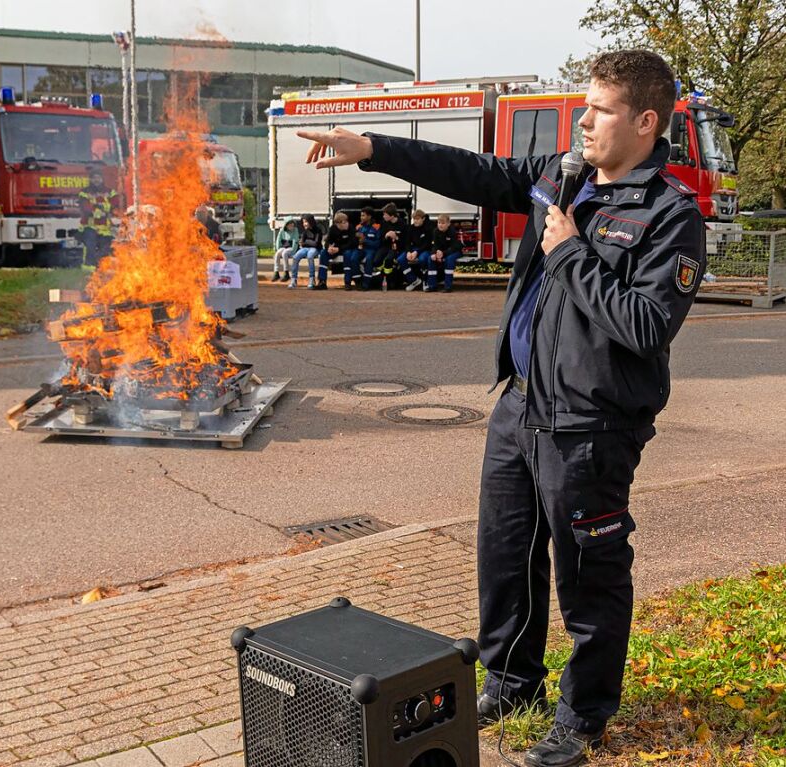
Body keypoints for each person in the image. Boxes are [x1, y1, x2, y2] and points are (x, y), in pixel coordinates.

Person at [299, 50, 705, 766]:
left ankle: (581, 716)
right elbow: (475, 173)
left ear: (644, 121)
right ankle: (512, 679)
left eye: (600, 109)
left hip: (589, 426)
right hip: (518, 407)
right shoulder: (561, 175)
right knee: (505, 556)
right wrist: (372, 149)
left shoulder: (669, 215)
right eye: (584, 106)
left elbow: (645, 326)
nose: (582, 120)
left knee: (590, 575)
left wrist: (572, 252)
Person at [76, 166, 115, 269]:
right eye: (94, 178)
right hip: (90, 226)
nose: (96, 180)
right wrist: (98, 210)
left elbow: (116, 203)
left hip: (105, 228)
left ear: (102, 179)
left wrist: (103, 208)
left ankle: (102, 267)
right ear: (90, 179)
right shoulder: (84, 192)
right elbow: (85, 207)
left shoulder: (110, 192)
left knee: (106, 249)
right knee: (90, 247)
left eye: (98, 177)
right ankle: (88, 267)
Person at [320, 211, 358, 291]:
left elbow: (353, 243)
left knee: (348, 254)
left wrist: (339, 249)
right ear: (338, 224)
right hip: (335, 250)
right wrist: (328, 248)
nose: (346, 224)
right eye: (344, 222)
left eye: (346, 221)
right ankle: (322, 281)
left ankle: (347, 282)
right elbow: (327, 241)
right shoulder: (333, 229)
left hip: (346, 249)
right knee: (323, 253)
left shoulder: (351, 228)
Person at [398, 208, 434, 291]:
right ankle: (414, 280)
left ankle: (425, 281)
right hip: (413, 249)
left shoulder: (429, 228)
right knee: (400, 259)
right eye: (414, 219)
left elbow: (427, 244)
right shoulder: (410, 228)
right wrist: (408, 252)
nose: (415, 221)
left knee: (422, 259)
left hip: (425, 249)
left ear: (423, 218)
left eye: (417, 219)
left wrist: (416, 252)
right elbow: (407, 242)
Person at [430, 214, 464, 292]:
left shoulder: (452, 231)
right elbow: (434, 245)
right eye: (439, 223)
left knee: (449, 260)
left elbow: (454, 247)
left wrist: (443, 254)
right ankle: (432, 285)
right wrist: (434, 253)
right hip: (441, 252)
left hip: (455, 251)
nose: (440, 225)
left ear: (448, 224)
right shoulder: (435, 231)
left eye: (443, 223)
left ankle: (448, 286)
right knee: (431, 258)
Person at [289, 214, 322, 289]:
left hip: (316, 249)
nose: (304, 224)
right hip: (305, 248)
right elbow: (301, 243)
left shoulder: (318, 231)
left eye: (306, 222)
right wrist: (308, 242)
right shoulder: (305, 231)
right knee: (296, 257)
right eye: (303, 222)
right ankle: (293, 279)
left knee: (310, 256)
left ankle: (312, 278)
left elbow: (316, 243)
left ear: (311, 221)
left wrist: (306, 242)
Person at [352, 207, 380, 291]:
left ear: (369, 216)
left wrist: (365, 240)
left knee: (369, 259)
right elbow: (353, 242)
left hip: (371, 249)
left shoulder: (376, 227)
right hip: (360, 249)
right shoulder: (358, 227)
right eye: (361, 215)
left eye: (363, 215)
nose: (361, 217)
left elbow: (378, 244)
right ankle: (358, 282)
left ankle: (366, 284)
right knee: (353, 258)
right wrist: (356, 239)